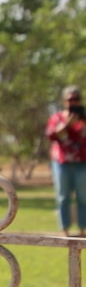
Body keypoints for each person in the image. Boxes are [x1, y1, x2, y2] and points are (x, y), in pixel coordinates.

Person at [45, 85, 86, 237]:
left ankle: (83, 230)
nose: (73, 103)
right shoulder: (56, 118)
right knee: (63, 197)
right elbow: (51, 135)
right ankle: (65, 230)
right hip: (62, 162)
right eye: (70, 100)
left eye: (76, 99)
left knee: (83, 197)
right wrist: (67, 125)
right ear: (64, 101)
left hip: (82, 162)